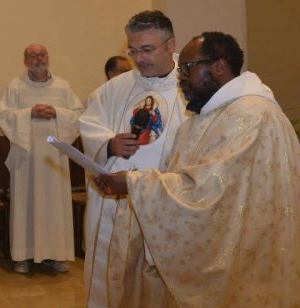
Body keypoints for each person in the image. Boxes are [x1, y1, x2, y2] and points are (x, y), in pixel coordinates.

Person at [94, 32, 300, 307]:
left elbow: (211, 190)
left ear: (219, 66)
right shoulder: (205, 116)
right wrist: (132, 183)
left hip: (248, 262)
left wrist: (134, 184)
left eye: (187, 68)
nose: (180, 77)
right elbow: (185, 178)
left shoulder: (253, 116)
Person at [79, 10, 188, 307]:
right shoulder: (114, 89)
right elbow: (89, 124)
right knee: (113, 280)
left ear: (170, 45)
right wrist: (109, 144)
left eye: (147, 49)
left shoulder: (192, 86)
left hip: (165, 202)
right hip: (117, 204)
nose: (139, 59)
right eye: (133, 50)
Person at [0, 44, 83, 274]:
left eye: (42, 54)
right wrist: (29, 113)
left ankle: (56, 255)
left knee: (55, 206)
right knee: (25, 204)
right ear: (25, 60)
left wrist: (56, 113)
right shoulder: (15, 86)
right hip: (27, 157)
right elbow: (3, 115)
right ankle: (23, 256)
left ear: (48, 57)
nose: (38, 59)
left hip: (55, 158)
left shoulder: (63, 86)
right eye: (33, 56)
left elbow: (78, 114)